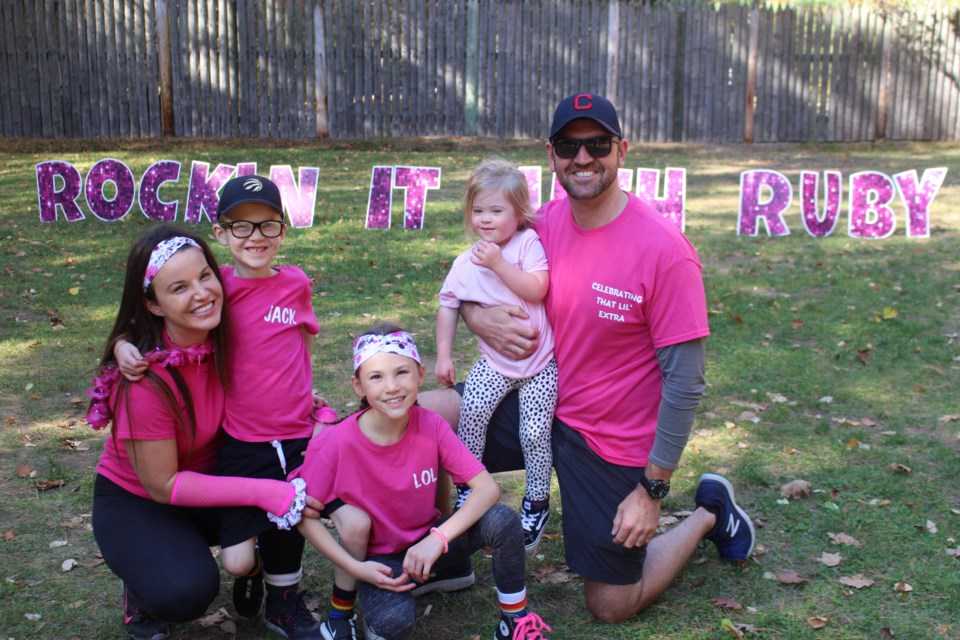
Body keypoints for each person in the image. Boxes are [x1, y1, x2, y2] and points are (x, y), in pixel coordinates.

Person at [420, 92, 756, 624]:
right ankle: (448, 556)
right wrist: (477, 317)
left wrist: (652, 490)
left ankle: (708, 515)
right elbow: (466, 283)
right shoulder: (539, 225)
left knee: (611, 603)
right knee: (426, 417)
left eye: (596, 144)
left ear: (621, 150)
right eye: (568, 146)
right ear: (550, 155)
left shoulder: (664, 251)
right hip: (538, 395)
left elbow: (686, 382)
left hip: (608, 438)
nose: (583, 158)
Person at [113, 176, 365, 640]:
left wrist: (303, 396)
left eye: (268, 225)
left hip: (281, 437)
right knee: (234, 558)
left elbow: (292, 346)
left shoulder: (280, 287)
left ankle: (284, 598)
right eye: (240, 227)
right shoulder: (213, 298)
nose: (255, 237)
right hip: (207, 461)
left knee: (292, 507)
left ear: (284, 230)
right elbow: (153, 317)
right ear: (222, 233)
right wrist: (125, 345)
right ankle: (169, 574)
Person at [88, 225, 312, 640]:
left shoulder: (227, 333)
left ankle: (272, 585)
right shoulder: (143, 381)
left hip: (214, 478)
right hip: (142, 501)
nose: (202, 293)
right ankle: (142, 586)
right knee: (184, 592)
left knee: (287, 463)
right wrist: (261, 492)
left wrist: (306, 403)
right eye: (179, 288)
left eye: (205, 276)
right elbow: (163, 485)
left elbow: (281, 354)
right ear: (153, 306)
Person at [293, 325, 552, 640]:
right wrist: (355, 567)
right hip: (382, 563)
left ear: (420, 375)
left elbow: (487, 489)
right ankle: (362, 609)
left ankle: (514, 622)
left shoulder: (432, 426)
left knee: (503, 519)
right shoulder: (335, 443)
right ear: (358, 386)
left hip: (431, 545)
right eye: (376, 377)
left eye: (401, 372)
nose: (391, 387)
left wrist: (438, 539)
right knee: (394, 623)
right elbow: (302, 517)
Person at [435, 157, 557, 554]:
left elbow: (537, 289)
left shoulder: (526, 245)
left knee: (534, 433)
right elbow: (448, 305)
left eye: (496, 210)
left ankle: (537, 502)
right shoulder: (464, 263)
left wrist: (499, 264)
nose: (485, 219)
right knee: (471, 416)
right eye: (478, 210)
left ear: (519, 213)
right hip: (495, 364)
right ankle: (469, 490)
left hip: (540, 365)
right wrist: (443, 355)